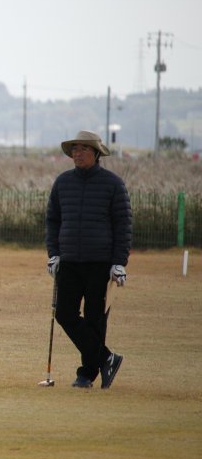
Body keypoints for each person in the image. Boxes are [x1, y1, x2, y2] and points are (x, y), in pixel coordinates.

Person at [45, 130, 132, 389]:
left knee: (95, 320)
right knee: (64, 314)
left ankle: (86, 374)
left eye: (83, 149)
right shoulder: (62, 182)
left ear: (95, 153)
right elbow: (53, 221)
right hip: (69, 261)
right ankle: (107, 358)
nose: (77, 153)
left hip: (100, 263)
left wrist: (119, 262)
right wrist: (53, 254)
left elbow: (123, 224)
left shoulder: (113, 184)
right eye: (74, 149)